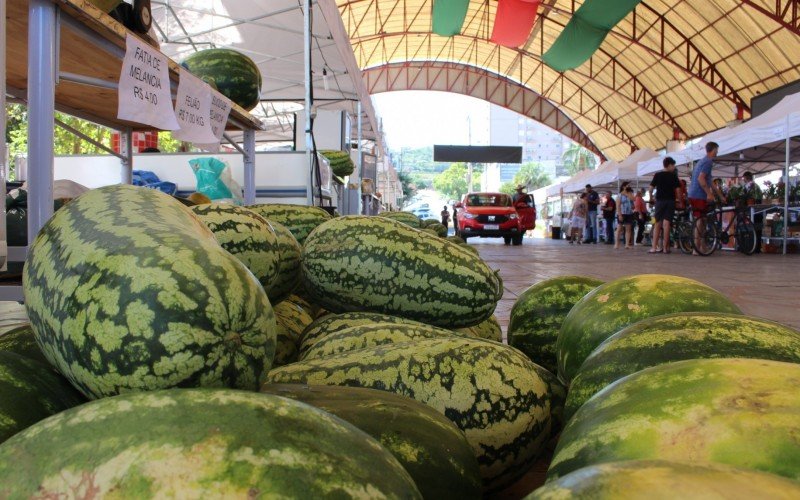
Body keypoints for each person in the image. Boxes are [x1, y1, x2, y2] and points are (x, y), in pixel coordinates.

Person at [688, 142, 724, 255]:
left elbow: (710, 182)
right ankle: (696, 248)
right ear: (713, 150)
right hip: (699, 194)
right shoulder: (708, 161)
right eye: (717, 149)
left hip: (694, 194)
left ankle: (701, 247)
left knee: (702, 220)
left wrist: (720, 195)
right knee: (700, 221)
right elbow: (701, 179)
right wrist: (709, 194)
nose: (717, 151)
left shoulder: (702, 161)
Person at [648, 156, 681, 254]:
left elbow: (650, 189)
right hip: (670, 201)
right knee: (667, 224)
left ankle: (654, 247)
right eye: (673, 165)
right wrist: (679, 200)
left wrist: (651, 198)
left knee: (657, 223)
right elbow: (678, 190)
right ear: (670, 165)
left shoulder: (657, 175)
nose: (674, 168)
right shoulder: (674, 176)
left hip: (660, 201)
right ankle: (666, 248)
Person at [742, 171, 763, 253]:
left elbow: (744, 197)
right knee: (758, 229)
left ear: (746, 178)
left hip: (752, 211)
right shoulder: (756, 186)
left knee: (751, 229)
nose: (743, 180)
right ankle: (757, 248)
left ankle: (751, 247)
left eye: (743, 178)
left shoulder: (749, 186)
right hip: (759, 210)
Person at [615, 182, 635, 249]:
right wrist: (620, 215)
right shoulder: (619, 195)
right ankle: (616, 244)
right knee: (619, 229)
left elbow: (633, 199)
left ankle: (627, 244)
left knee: (628, 229)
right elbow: (618, 206)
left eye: (629, 185)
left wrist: (628, 194)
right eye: (628, 185)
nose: (629, 186)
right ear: (624, 186)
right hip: (622, 213)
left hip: (629, 213)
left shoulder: (630, 194)